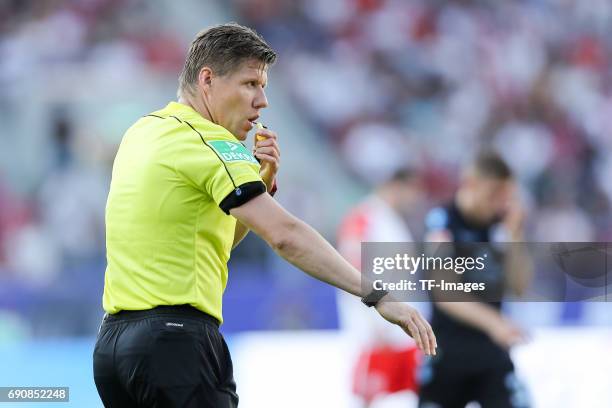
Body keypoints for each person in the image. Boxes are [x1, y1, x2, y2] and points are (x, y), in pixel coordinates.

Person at [93, 22, 436, 408]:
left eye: (264, 86)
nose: (262, 101)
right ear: (207, 79)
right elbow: (285, 235)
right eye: (250, 84)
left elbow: (215, 243)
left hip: (114, 347)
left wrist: (261, 183)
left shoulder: (143, 131)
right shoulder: (212, 140)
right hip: (175, 343)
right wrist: (376, 295)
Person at [418, 151, 532, 408]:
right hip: (447, 352)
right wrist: (495, 323)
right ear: (470, 184)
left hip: (492, 355)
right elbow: (445, 293)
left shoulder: (501, 226)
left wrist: (515, 236)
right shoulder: (441, 223)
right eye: (494, 194)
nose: (501, 203)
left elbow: (520, 286)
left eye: (506, 196)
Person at [336, 168, 425, 406]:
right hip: (374, 326)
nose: (415, 199)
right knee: (371, 396)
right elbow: (350, 269)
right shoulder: (366, 216)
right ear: (398, 186)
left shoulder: (392, 220)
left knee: (405, 395)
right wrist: (373, 316)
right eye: (413, 191)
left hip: (397, 326)